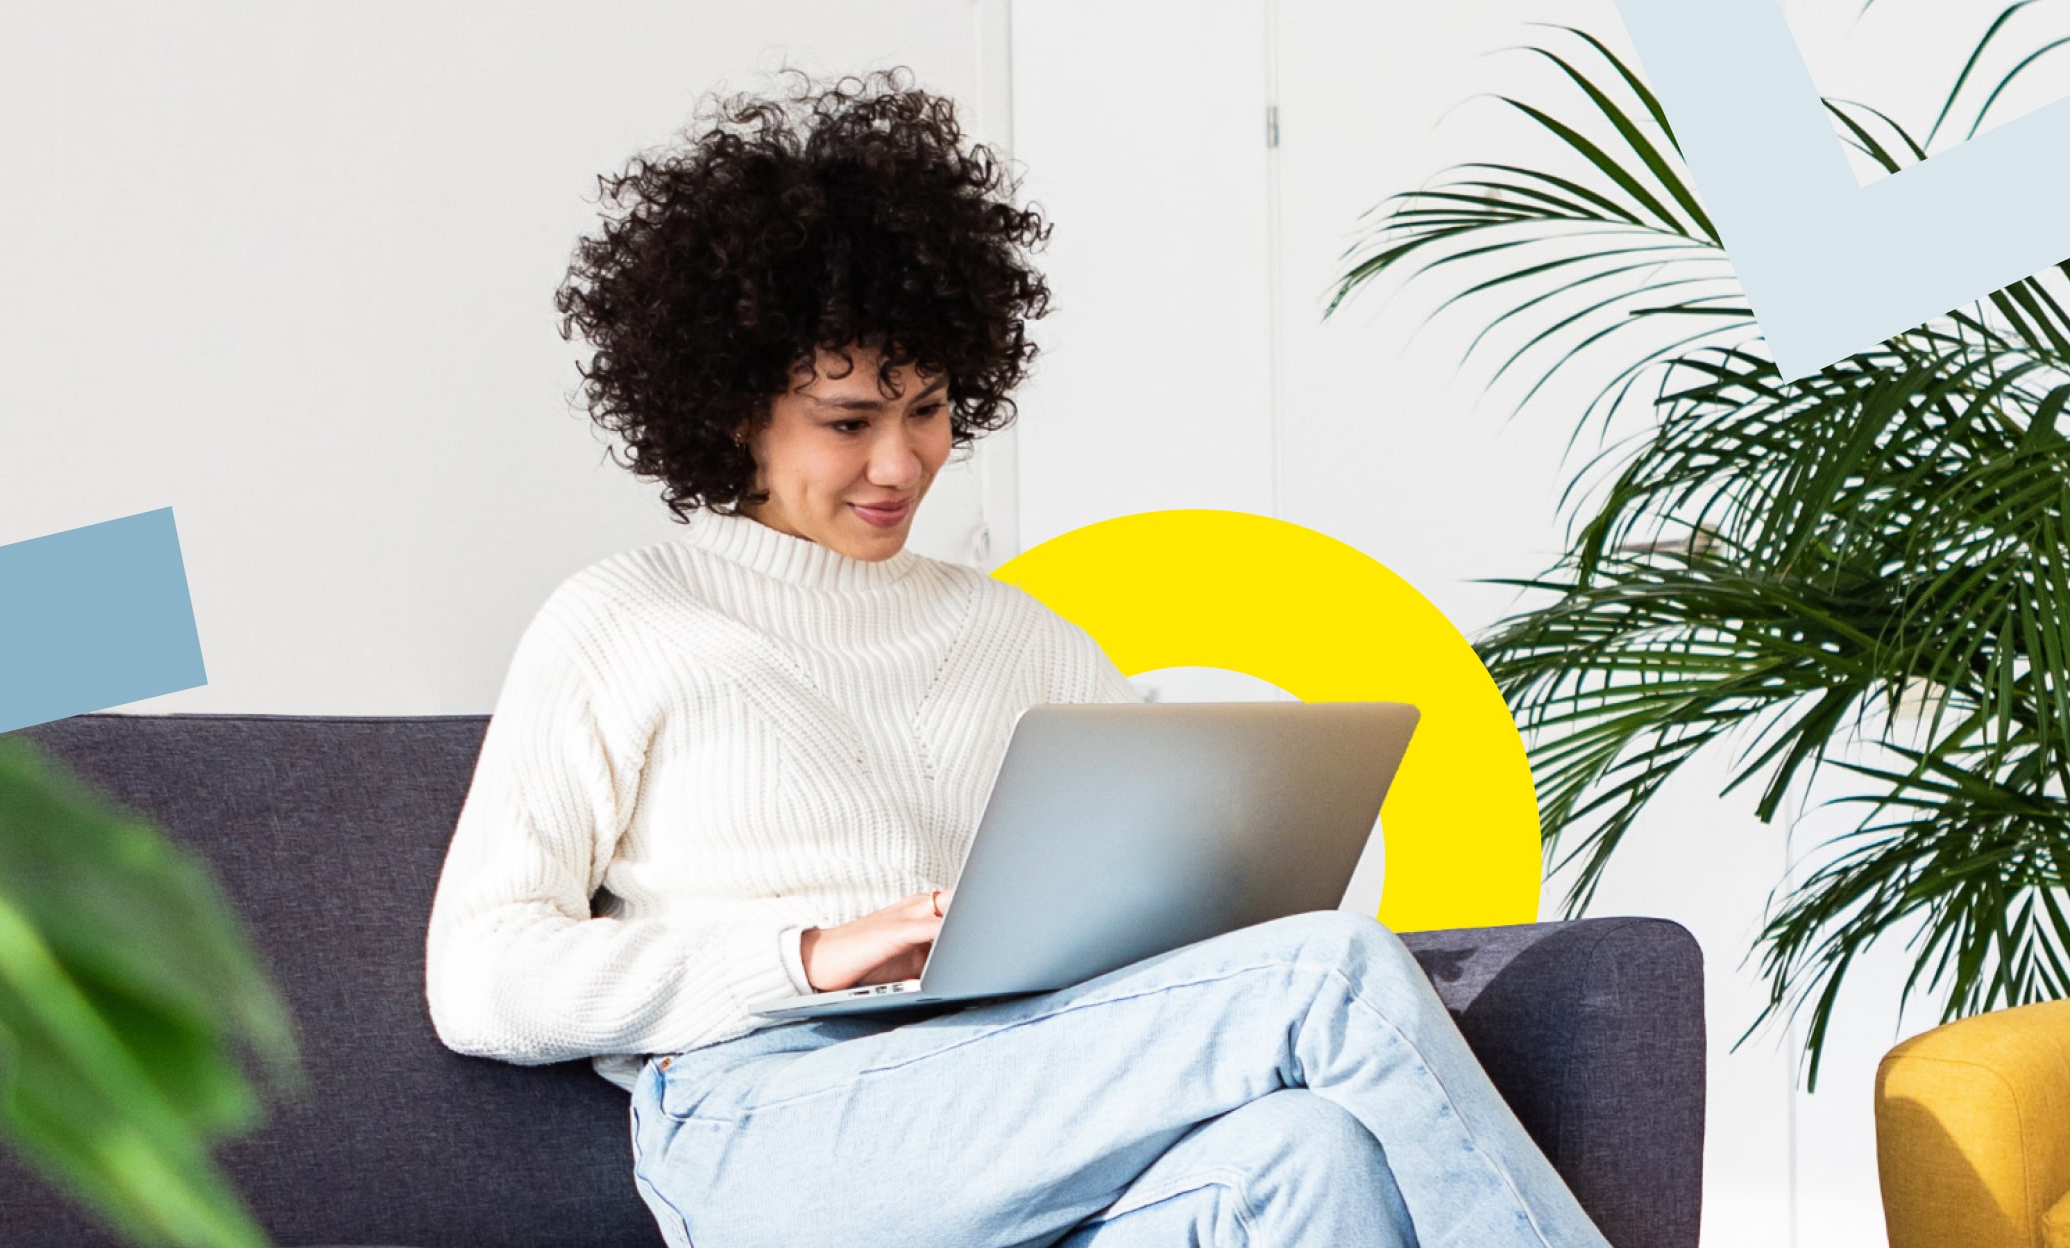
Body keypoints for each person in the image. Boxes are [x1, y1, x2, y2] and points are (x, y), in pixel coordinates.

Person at [423, 67, 1613, 1248]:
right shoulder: (624, 619)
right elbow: (480, 977)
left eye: (930, 410)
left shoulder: (1025, 642)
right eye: (848, 424)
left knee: (1309, 1159)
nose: (900, 465)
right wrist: (806, 956)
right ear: (735, 409)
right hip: (765, 1127)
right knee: (1329, 978)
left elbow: (1174, 923)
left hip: (1022, 1098)